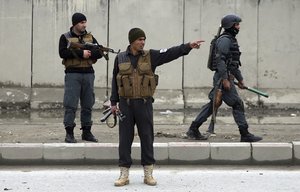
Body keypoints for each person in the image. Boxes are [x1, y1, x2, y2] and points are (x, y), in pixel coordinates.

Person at [110, 27, 204, 186]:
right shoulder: (120, 58)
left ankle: (148, 173)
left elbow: (170, 53)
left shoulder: (151, 56)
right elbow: (114, 80)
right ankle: (124, 174)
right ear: (132, 41)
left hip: (144, 104)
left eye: (143, 39)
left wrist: (188, 46)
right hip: (125, 104)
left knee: (147, 137)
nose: (142, 42)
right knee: (125, 139)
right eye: (139, 39)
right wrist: (113, 102)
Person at [185, 14, 263, 142]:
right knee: (237, 103)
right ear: (230, 26)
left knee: (213, 104)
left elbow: (233, 63)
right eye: (237, 24)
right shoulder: (225, 40)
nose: (239, 27)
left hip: (226, 76)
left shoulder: (230, 40)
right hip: (223, 78)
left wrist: (241, 79)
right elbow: (220, 61)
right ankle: (244, 134)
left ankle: (193, 129)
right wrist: (225, 79)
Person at [58, 13, 103, 143]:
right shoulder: (65, 37)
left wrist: (89, 54)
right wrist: (80, 53)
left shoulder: (89, 37)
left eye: (85, 22)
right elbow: (62, 52)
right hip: (73, 74)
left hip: (88, 74)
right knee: (70, 104)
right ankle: (69, 133)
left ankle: (87, 132)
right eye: (82, 22)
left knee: (88, 104)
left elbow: (99, 52)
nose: (84, 25)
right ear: (75, 24)